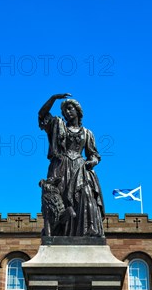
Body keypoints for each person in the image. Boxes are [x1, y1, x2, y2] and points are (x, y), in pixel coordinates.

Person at [38, 93, 105, 237]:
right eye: (64, 111)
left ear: (77, 111)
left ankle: (87, 231)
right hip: (60, 168)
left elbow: (94, 154)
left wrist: (92, 161)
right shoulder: (58, 124)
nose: (67, 112)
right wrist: (53, 98)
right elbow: (42, 115)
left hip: (81, 169)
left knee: (86, 198)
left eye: (70, 109)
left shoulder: (87, 133)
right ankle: (59, 234)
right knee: (59, 203)